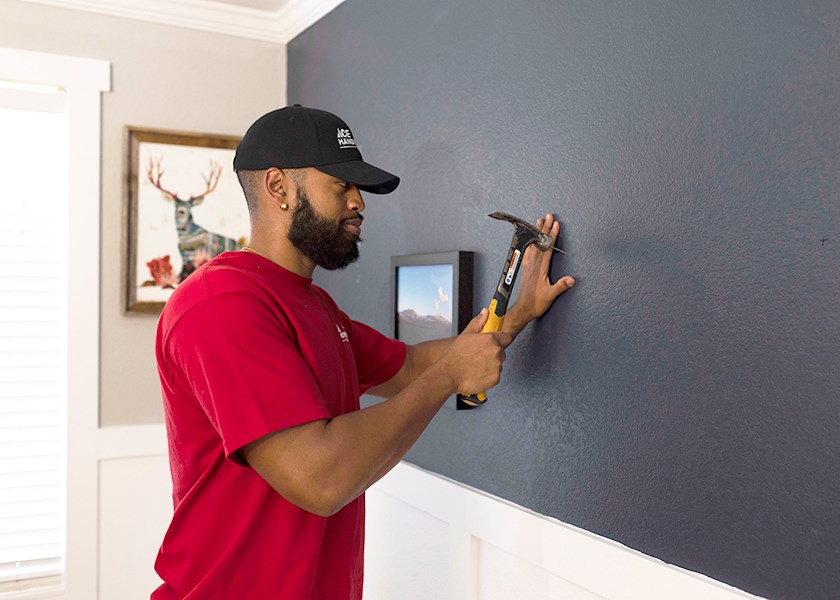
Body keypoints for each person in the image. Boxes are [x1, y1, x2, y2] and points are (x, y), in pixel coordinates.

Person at [152, 104, 575, 599]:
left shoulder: (311, 304)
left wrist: (518, 314)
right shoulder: (220, 307)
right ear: (278, 187)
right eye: (341, 184)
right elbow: (321, 479)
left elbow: (413, 365)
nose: (359, 202)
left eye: (360, 188)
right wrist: (449, 378)